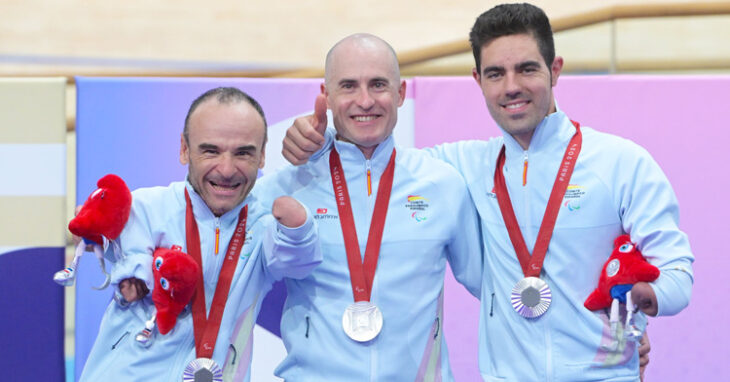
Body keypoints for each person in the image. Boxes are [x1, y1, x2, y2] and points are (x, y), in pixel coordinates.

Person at [283, 4, 694, 381]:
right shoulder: (459, 166)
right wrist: (319, 142)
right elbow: (372, 153)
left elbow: (677, 273)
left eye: (527, 69)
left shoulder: (621, 163)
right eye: (496, 74)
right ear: (478, 80)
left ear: (555, 69)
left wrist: (643, 300)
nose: (511, 86)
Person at [255, 33, 483, 381]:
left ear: (401, 93)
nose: (365, 101)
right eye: (348, 86)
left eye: (378, 84)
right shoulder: (285, 187)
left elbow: (491, 284)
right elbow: (224, 266)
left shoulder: (441, 184)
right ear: (326, 96)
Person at [79, 87, 322, 382]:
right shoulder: (145, 208)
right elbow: (90, 227)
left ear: (261, 157)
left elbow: (297, 263)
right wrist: (130, 265)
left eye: (243, 153)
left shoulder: (263, 225)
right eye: (211, 151)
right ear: (184, 149)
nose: (227, 169)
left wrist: (299, 229)